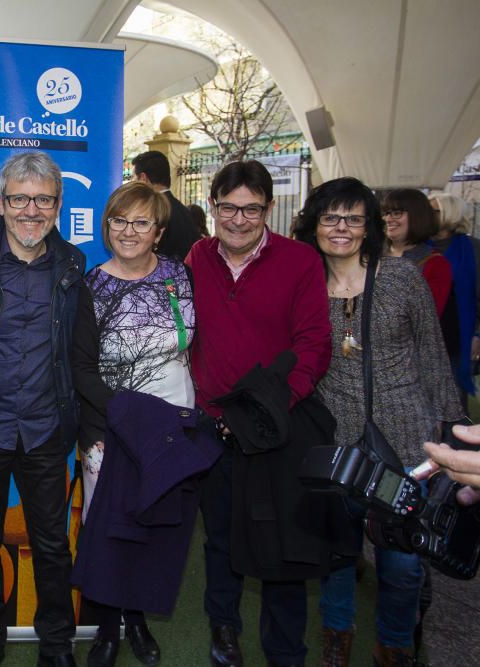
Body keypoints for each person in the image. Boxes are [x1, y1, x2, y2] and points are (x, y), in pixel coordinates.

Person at [294, 177, 463, 666]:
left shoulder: (401, 278)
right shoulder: (305, 284)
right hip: (338, 438)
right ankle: (336, 639)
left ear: (369, 225)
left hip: (406, 438)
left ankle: (394, 645)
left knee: (402, 561)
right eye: (330, 218)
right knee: (338, 554)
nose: (341, 228)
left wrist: (451, 430)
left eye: (353, 218)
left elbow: (434, 357)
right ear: (314, 224)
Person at [186, 160, 332, 667]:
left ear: (268, 209)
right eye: (228, 208)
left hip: (275, 429)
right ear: (213, 208)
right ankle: (223, 631)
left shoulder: (301, 261)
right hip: (213, 427)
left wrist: (264, 410)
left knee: (281, 544)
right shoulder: (196, 258)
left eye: (251, 209)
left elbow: (314, 347)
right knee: (220, 539)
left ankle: (284, 650)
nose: (239, 219)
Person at [70, 181, 204, 667]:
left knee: (156, 531)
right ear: (107, 226)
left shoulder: (179, 278)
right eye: (118, 221)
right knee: (109, 532)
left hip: (174, 428)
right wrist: (127, 418)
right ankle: (107, 627)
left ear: (158, 231)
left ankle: (139, 621)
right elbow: (81, 369)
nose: (127, 231)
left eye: (140, 222)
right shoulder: (92, 286)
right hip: (114, 429)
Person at [0, 151, 84, 667]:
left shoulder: (73, 265)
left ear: (58, 205)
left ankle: (56, 645)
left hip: (44, 427)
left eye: (43, 200)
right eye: (19, 199)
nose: (31, 210)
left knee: (53, 545)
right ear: (1, 202)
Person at [382, 189, 458, 363]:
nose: (388, 219)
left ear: (417, 216)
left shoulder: (435, 264)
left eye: (397, 213)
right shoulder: (371, 257)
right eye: (386, 213)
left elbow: (424, 321)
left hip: (410, 362)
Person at [429, 191, 480, 398]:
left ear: (450, 214)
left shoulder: (473, 249)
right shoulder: (417, 248)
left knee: (453, 399)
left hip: (457, 335)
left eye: (432, 211)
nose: (425, 215)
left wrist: (477, 334)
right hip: (424, 334)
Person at [130, 150, 201, 260]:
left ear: (143, 178)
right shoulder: (184, 211)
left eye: (133, 178)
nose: (132, 183)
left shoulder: (154, 212)